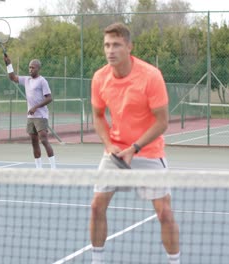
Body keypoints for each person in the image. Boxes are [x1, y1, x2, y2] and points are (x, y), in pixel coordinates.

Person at [89, 22, 180, 264]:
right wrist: (109, 146)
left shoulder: (151, 76)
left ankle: (175, 261)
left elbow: (162, 122)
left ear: (129, 47)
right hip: (116, 152)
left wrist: (135, 148)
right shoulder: (100, 78)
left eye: (117, 44)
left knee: (165, 214)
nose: (111, 50)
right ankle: (96, 261)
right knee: (96, 206)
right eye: (107, 45)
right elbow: (98, 117)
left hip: (148, 152)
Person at [4, 56, 56, 169]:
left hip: (41, 116)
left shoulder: (42, 81)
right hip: (30, 117)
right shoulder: (26, 80)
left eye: (33, 68)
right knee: (34, 142)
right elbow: (12, 77)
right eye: (29, 67)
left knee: (44, 140)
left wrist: (35, 107)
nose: (30, 69)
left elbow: (49, 98)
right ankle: (38, 169)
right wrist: (9, 65)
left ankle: (54, 169)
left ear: (38, 69)